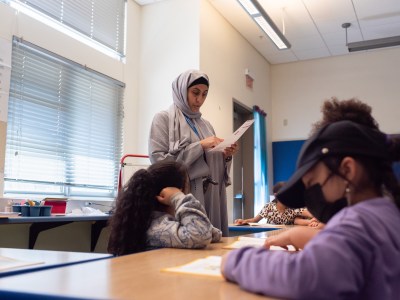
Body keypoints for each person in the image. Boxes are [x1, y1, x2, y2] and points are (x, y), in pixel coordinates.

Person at [221, 120, 400, 299]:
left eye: (313, 183)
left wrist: (235, 260)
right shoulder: (388, 214)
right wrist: (322, 239)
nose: (312, 195)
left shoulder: (356, 223)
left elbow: (303, 277)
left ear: (347, 170)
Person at [148, 69, 238, 236]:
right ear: (182, 91)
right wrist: (200, 145)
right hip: (184, 194)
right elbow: (159, 162)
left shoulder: (206, 125)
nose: (199, 100)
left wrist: (225, 155)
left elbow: (211, 160)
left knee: (212, 247)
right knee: (190, 241)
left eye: (204, 94)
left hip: (211, 195)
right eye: (195, 93)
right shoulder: (163, 119)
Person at [107, 160, 222, 256]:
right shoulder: (156, 226)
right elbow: (202, 235)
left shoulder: (156, 220)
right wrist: (179, 198)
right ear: (178, 191)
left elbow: (212, 233)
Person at [234, 181, 315, 226]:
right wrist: (244, 221)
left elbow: (311, 213)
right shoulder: (269, 207)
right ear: (276, 195)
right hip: (271, 235)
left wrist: (315, 219)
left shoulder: (293, 207)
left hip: (287, 235)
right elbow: (255, 220)